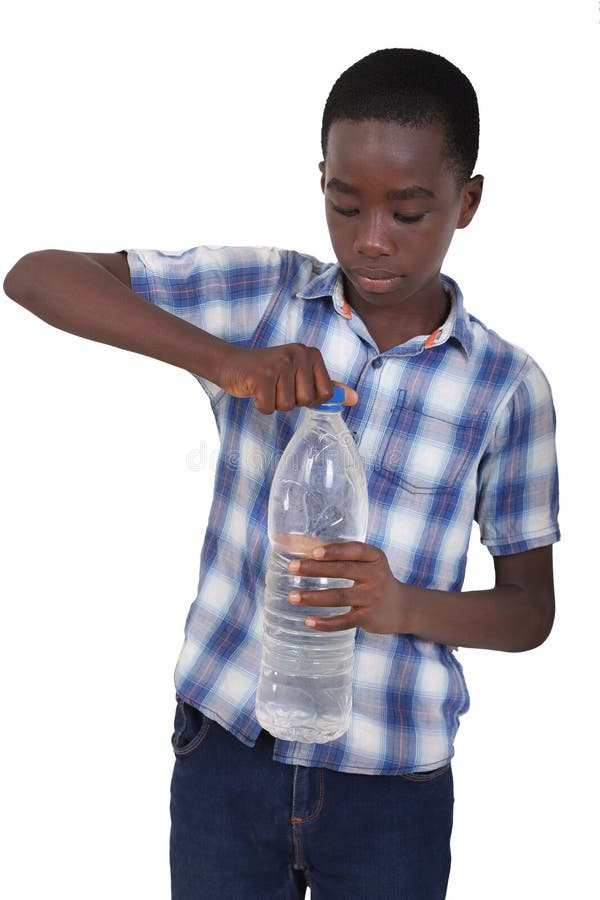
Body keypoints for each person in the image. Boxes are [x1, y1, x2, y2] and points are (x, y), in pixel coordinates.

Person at [4, 48, 559, 900]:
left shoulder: (506, 388)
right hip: (226, 755)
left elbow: (529, 611)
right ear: (323, 183)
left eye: (409, 213)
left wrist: (400, 605)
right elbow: (37, 276)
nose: (371, 238)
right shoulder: (268, 297)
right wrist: (227, 360)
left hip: (391, 786)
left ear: (468, 201)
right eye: (345, 204)